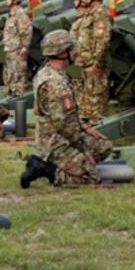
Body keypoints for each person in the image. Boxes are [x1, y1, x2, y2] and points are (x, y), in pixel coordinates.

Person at [20, 29, 113, 188]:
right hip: (55, 140)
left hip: (62, 134)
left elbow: (66, 116)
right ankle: (45, 169)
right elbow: (64, 125)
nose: (75, 52)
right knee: (91, 177)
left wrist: (84, 126)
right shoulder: (55, 84)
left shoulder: (49, 72)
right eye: (71, 49)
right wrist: (83, 150)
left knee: (103, 146)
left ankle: (72, 164)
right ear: (63, 53)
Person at [74, 0, 112, 124]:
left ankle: (97, 127)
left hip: (93, 64)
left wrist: (97, 63)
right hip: (82, 63)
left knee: (95, 98)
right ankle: (85, 123)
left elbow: (102, 41)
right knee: (83, 96)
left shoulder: (101, 13)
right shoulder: (88, 14)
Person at [1, 0, 33, 96]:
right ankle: (11, 96)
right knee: (9, 76)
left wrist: (24, 47)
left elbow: (26, 31)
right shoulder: (11, 15)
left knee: (19, 77)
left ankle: (20, 99)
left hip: (17, 51)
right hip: (10, 51)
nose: (7, 0)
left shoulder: (20, 14)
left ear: (15, 0)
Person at [67, 0, 90, 103]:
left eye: (77, 0)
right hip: (76, 63)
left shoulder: (90, 19)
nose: (74, 3)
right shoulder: (78, 20)